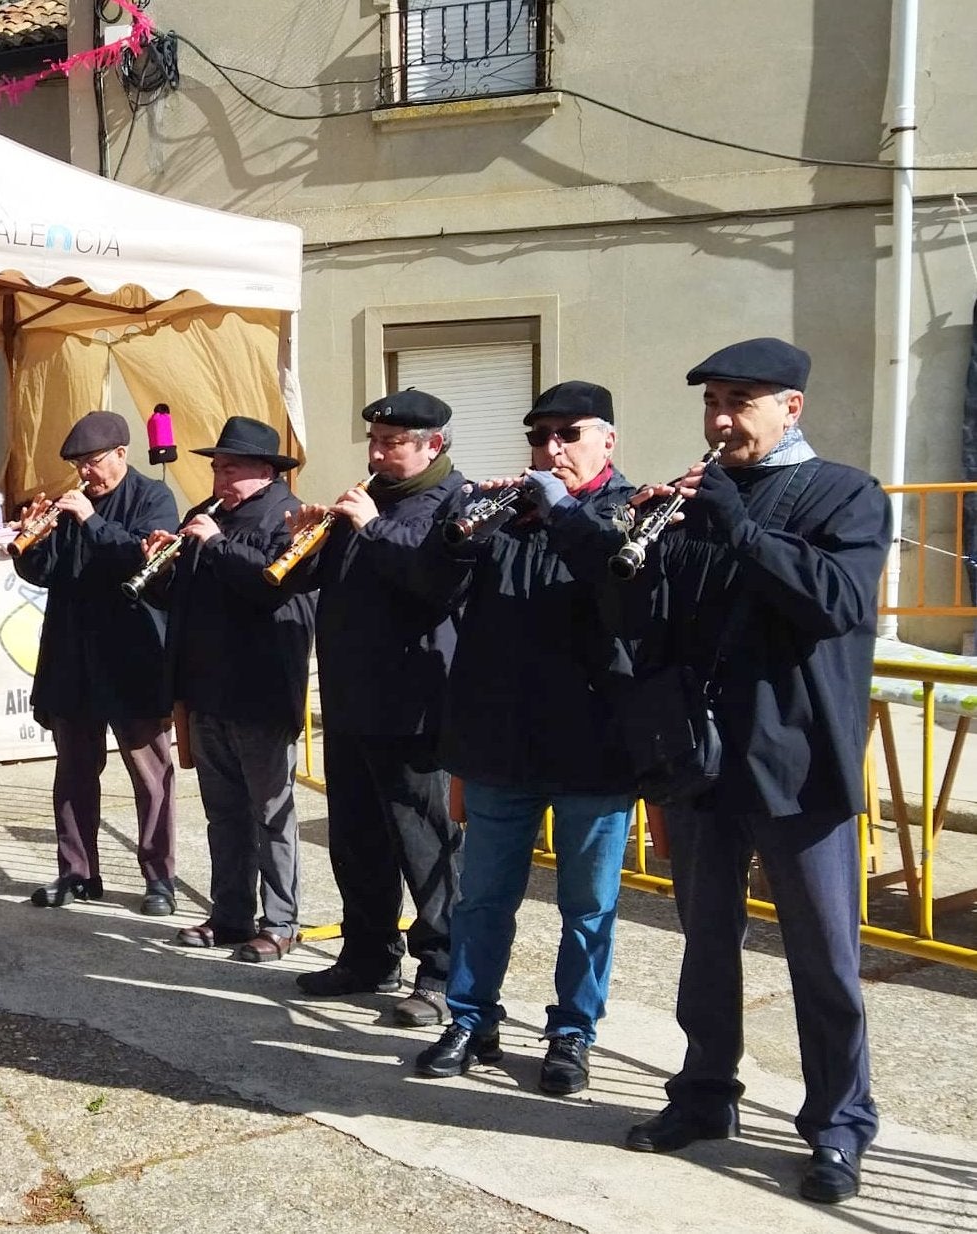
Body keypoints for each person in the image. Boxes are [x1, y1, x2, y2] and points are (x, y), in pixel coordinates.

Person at [611, 339, 888, 1205]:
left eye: (741, 401)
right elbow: (658, 625)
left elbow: (834, 603)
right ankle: (703, 1095)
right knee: (705, 939)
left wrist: (736, 525)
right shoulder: (700, 499)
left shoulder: (846, 492)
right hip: (700, 759)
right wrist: (632, 549)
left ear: (790, 408)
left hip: (797, 760)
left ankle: (838, 1126)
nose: (721, 419)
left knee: (822, 954)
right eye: (712, 404)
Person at [407, 381, 637, 1094]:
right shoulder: (508, 515)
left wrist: (562, 512)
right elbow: (431, 592)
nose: (551, 449)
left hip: (593, 749)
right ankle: (472, 1017)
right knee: (482, 898)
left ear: (608, 440)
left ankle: (572, 1032)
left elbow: (625, 599)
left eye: (569, 434)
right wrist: (465, 529)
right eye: (539, 436)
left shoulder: (637, 512)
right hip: (501, 742)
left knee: (587, 907)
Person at [283, 390, 465, 1023]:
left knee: (422, 838)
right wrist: (307, 538)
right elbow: (313, 582)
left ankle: (441, 973)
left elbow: (430, 580)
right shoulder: (373, 501)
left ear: (432, 445)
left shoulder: (455, 503)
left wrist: (367, 526)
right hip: (351, 698)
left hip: (412, 704)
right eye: (376, 442)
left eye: (394, 444)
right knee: (356, 837)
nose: (379, 454)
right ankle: (369, 954)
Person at [145, 416, 315, 963]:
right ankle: (231, 915)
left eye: (232, 469)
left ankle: (281, 922)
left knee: (271, 812)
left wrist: (215, 545)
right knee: (225, 812)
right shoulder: (204, 515)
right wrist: (162, 566)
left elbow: (273, 583)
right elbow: (185, 600)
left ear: (265, 471)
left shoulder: (290, 517)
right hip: (206, 688)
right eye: (216, 468)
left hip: (259, 689)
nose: (220, 478)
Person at [11, 410, 180, 915]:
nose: (86, 471)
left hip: (133, 658)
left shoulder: (154, 497)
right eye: (79, 463)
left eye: (95, 460)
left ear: (122, 454)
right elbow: (46, 574)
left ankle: (159, 879)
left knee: (151, 775)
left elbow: (144, 558)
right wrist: (30, 543)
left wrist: (91, 519)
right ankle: (77, 873)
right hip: (73, 657)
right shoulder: (69, 508)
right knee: (74, 772)